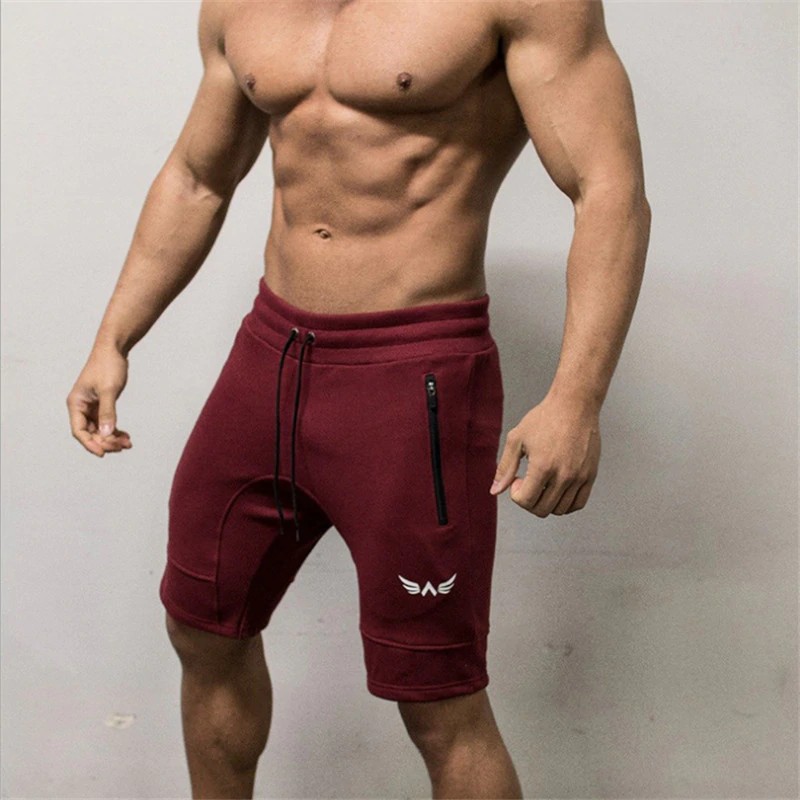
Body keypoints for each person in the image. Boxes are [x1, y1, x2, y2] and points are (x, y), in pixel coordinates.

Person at [66, 0, 650, 797]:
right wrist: (114, 337)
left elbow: (606, 189)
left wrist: (577, 399)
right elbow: (198, 179)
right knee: (203, 629)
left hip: (415, 380)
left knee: (438, 698)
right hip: (268, 357)